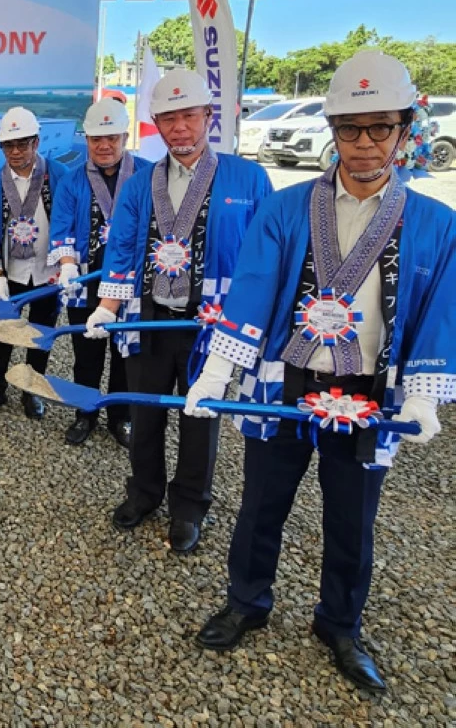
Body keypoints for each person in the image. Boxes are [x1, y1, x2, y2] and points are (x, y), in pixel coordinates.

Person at [187, 51, 454, 692]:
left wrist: (425, 396)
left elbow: (441, 314)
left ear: (405, 129)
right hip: (285, 382)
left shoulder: (436, 224)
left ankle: (340, 623)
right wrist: (217, 371)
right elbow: (252, 289)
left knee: (352, 519)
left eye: (380, 126)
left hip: (369, 395)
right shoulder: (285, 209)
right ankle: (247, 601)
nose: (364, 142)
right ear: (332, 129)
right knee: (260, 505)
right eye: (349, 127)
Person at [88, 69, 273, 554]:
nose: (180, 128)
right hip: (148, 317)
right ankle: (144, 492)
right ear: (156, 124)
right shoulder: (140, 183)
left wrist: (254, 323)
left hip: (209, 324)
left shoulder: (249, 179)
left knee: (200, 417)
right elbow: (122, 247)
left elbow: (263, 260)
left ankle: (189, 506)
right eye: (168, 119)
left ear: (209, 116)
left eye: (189, 115)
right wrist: (107, 306)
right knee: (145, 411)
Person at [49, 98, 152, 446]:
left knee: (126, 354)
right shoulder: (72, 181)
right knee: (86, 353)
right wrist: (66, 263)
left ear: (125, 137)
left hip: (131, 285)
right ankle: (85, 413)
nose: (104, 145)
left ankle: (120, 417)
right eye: (96, 139)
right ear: (87, 140)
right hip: (85, 282)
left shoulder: (148, 176)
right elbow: (61, 227)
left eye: (112, 138)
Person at [0, 107, 66, 418]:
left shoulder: (58, 176)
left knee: (40, 334)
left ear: (36, 142)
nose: (15, 152)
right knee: (2, 331)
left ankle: (31, 389)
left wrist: (67, 264)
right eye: (8, 145)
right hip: (10, 272)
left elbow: (70, 222)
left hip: (48, 273)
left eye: (22, 144)